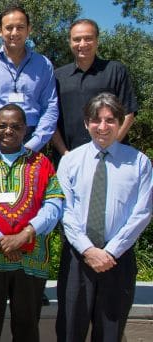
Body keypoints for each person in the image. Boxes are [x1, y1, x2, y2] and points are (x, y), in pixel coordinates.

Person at [0, 104, 64, 342]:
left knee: (27, 328)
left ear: (26, 129)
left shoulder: (42, 163)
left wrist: (26, 233)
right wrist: (1, 238)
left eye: (15, 126)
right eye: (2, 126)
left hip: (31, 259)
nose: (8, 131)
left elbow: (54, 205)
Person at [56, 93, 152, 341]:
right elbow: (65, 210)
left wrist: (111, 251)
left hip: (117, 260)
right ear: (87, 123)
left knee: (110, 332)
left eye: (110, 120)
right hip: (78, 258)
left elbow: (142, 212)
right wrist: (88, 250)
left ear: (120, 123)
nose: (102, 126)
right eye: (96, 120)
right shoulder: (70, 162)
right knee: (70, 331)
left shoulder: (139, 162)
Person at [0, 5, 58, 152]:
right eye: (9, 27)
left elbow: (50, 107)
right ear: (0, 30)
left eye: (20, 27)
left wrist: (35, 144)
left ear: (29, 30)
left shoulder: (44, 64)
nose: (14, 32)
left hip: (33, 140)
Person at [52, 18, 138, 158]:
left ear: (97, 40)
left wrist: (109, 149)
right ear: (70, 42)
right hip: (70, 158)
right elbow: (51, 119)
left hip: (113, 157)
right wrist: (65, 154)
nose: (82, 44)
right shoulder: (57, 76)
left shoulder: (115, 70)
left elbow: (129, 114)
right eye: (77, 39)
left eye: (88, 38)